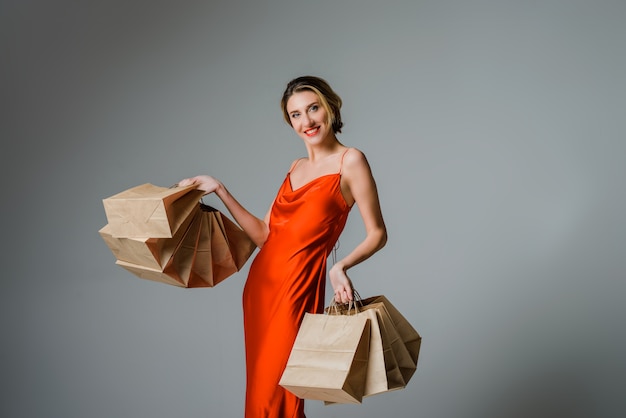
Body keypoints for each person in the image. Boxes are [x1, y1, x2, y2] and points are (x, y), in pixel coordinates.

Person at [178, 75, 387, 418]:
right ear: (289, 122)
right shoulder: (296, 167)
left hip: (297, 290)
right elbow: (264, 235)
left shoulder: (351, 161)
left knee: (278, 402)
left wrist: (340, 267)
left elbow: (378, 233)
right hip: (261, 289)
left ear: (330, 107)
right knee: (262, 397)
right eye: (296, 115)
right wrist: (220, 190)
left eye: (313, 108)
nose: (307, 121)